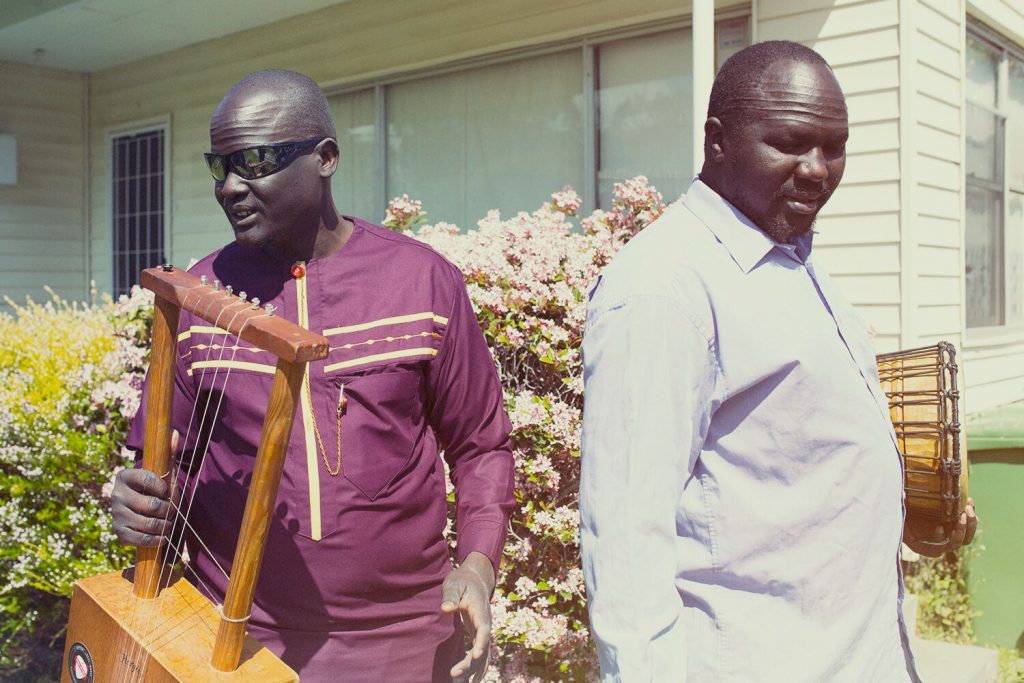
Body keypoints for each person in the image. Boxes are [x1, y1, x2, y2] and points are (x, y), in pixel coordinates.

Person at [579, 41, 977, 682]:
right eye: (790, 143)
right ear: (717, 141)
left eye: (834, 146)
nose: (817, 169)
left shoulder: (793, 257)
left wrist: (902, 511)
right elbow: (626, 541)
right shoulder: (664, 288)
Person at [110, 69, 515, 682]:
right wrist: (141, 503)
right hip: (233, 643)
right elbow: (165, 461)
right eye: (220, 167)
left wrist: (478, 566)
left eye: (255, 161)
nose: (231, 187)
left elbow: (481, 445)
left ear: (325, 158)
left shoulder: (422, 282)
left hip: (404, 642)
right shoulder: (197, 297)